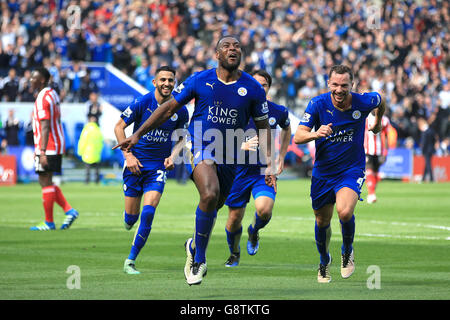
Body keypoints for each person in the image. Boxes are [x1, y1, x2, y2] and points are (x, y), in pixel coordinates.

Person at [113, 35, 276, 285]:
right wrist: (136, 135)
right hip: (200, 143)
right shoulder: (200, 79)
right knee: (209, 194)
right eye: (226, 47)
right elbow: (168, 109)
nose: (232, 50)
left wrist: (270, 166)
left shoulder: (253, 88)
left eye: (237, 48)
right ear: (217, 53)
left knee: (214, 204)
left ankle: (193, 246)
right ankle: (199, 258)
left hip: (231, 152)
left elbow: (264, 127)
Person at [294, 65, 386, 283]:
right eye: (335, 84)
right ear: (328, 84)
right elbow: (298, 136)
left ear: (351, 85)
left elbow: (380, 100)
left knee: (345, 212)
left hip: (351, 169)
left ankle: (347, 250)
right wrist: (316, 134)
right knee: (321, 222)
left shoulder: (364, 102)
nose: (339, 89)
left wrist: (378, 121)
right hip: (323, 173)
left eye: (344, 85)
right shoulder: (317, 104)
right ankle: (324, 260)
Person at [113, 66, 189, 274]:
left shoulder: (180, 109)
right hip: (135, 165)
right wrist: (128, 156)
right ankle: (129, 218)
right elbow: (119, 127)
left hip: (157, 167)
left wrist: (173, 156)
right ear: (155, 82)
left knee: (148, 213)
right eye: (163, 80)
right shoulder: (142, 102)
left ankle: (130, 260)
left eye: (170, 80)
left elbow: (183, 137)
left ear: (175, 83)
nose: (167, 83)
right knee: (131, 218)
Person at [223, 69, 291, 267]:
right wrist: (239, 145)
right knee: (234, 220)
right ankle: (234, 253)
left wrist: (281, 157)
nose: (260, 88)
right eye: (256, 83)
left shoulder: (277, 111)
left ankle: (254, 231)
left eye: (264, 85)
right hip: (237, 172)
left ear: (268, 88)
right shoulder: (234, 109)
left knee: (264, 210)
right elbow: (217, 136)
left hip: (263, 171)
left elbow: (287, 128)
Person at [29, 67, 79, 231]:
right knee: (46, 180)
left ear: (42, 80)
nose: (30, 81)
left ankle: (49, 222)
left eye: (33, 78)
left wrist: (42, 151)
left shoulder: (43, 98)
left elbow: (44, 125)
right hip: (55, 143)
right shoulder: (52, 93)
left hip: (48, 146)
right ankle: (69, 210)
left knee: (44, 180)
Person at [364, 112, 391, 203]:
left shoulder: (385, 120)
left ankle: (371, 193)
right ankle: (371, 193)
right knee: (369, 170)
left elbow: (386, 136)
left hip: (379, 150)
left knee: (375, 173)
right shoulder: (365, 118)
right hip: (366, 150)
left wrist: (385, 152)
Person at [77, 115, 104, 184]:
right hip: (96, 152)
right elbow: (101, 141)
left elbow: (83, 140)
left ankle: (87, 181)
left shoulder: (86, 129)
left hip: (88, 151)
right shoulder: (97, 129)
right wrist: (99, 150)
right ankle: (97, 181)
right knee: (96, 168)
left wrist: (80, 151)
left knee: (88, 168)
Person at [417, 117, 437, 182]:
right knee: (427, 164)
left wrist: (422, 149)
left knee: (428, 164)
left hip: (426, 150)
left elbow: (423, 142)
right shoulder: (431, 130)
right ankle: (423, 178)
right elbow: (434, 140)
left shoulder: (425, 132)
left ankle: (431, 178)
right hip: (431, 149)